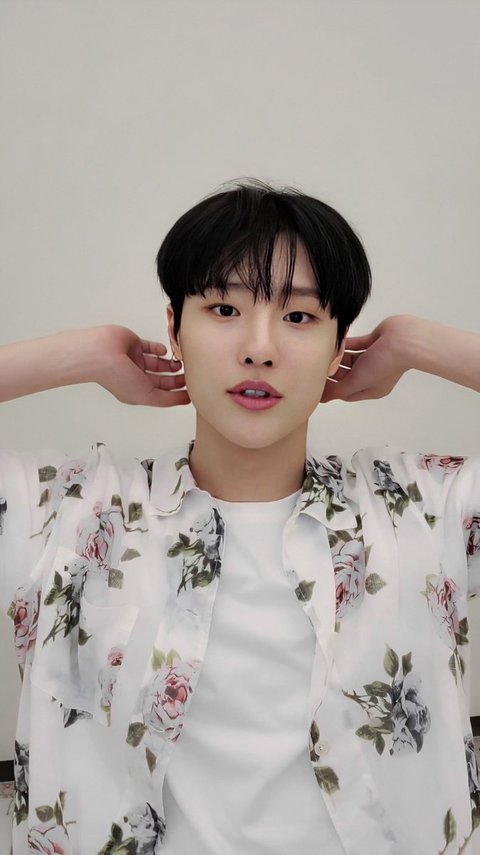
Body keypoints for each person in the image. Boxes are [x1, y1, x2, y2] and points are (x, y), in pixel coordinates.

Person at [0, 178, 479, 855]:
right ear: (175, 329)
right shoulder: (66, 513)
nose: (260, 348)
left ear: (339, 346)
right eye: (223, 308)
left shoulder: (423, 508)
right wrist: (81, 355)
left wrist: (416, 344)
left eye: (300, 317)